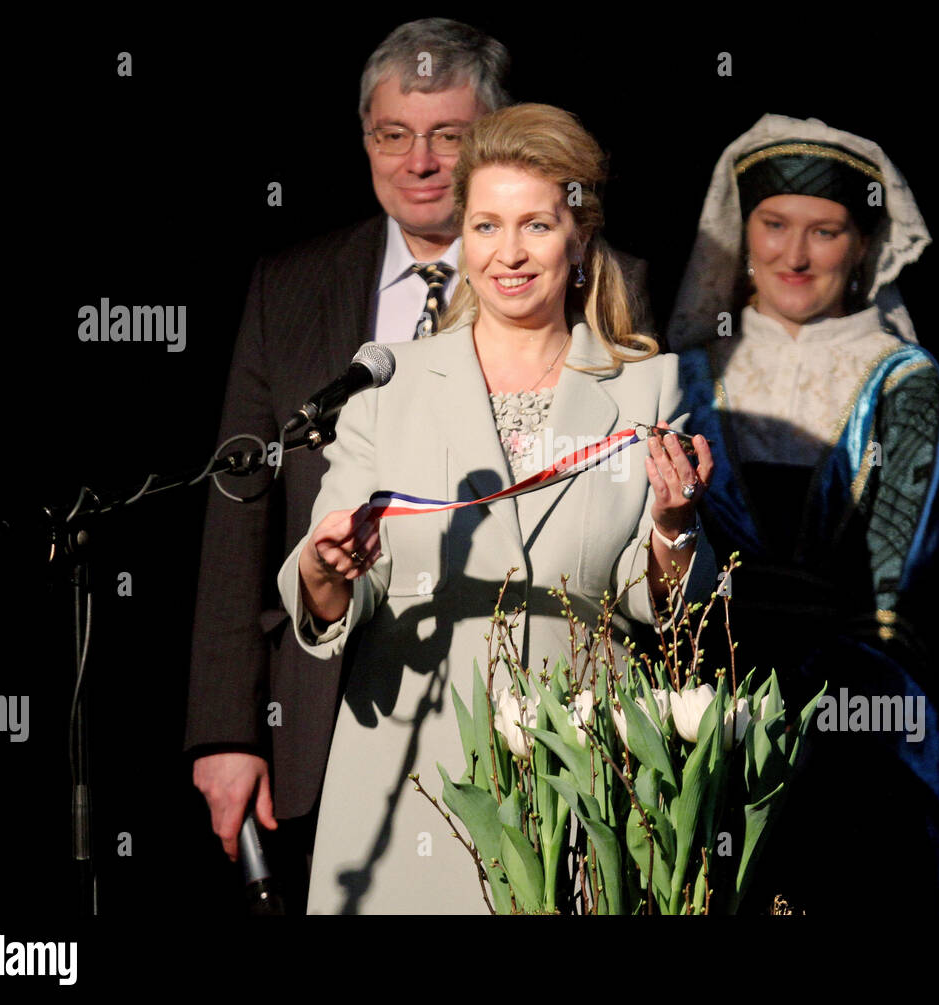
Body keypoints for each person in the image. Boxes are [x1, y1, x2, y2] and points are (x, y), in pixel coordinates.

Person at [277, 103, 717, 914]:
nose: (508, 253)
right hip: (409, 781)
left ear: (579, 240)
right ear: (461, 240)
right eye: (485, 225)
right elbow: (332, 585)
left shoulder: (649, 387)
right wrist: (324, 570)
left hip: (580, 781)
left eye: (536, 226)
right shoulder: (389, 384)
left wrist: (672, 527)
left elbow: (664, 603)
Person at [183, 19, 514, 911]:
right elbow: (238, 511)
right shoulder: (287, 287)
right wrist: (224, 730)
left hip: (507, 717)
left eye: (450, 136)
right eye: (392, 134)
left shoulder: (576, 280)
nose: (419, 161)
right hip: (320, 722)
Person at [666, 115, 939, 915]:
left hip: (861, 729)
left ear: (865, 242)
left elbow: (905, 580)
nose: (795, 254)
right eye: (773, 225)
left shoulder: (904, 379)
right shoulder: (681, 373)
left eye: (826, 230)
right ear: (739, 233)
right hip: (701, 715)